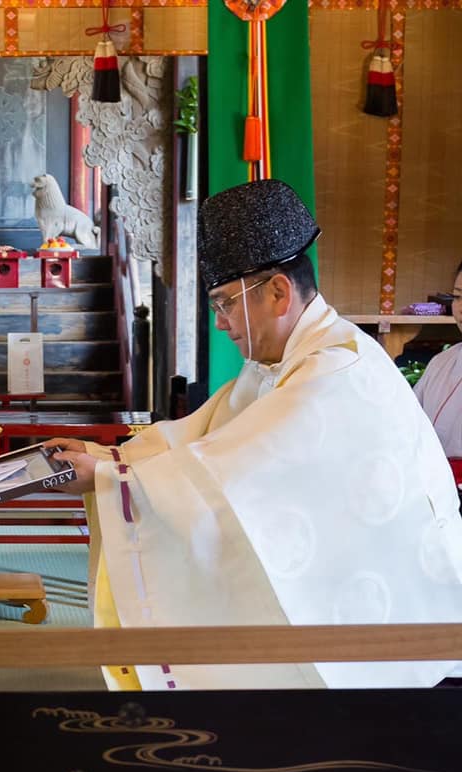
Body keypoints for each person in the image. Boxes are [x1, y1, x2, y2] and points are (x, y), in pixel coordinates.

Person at [48, 178, 462, 691]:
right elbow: (203, 438)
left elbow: (233, 471)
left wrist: (114, 476)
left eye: (223, 304)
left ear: (278, 292)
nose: (220, 323)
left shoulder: (335, 369)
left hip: (408, 614)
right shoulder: (287, 360)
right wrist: (112, 458)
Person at [413, 260, 462, 480]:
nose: (461, 307)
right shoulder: (441, 362)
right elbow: (410, 421)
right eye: (458, 296)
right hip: (435, 486)